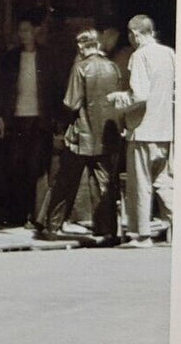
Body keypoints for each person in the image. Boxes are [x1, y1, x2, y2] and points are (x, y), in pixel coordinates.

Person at [35, 30, 124, 238]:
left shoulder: (81, 67)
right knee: (104, 184)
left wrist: (61, 124)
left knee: (65, 182)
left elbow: (71, 103)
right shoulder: (112, 67)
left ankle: (52, 226)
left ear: (82, 47)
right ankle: (108, 229)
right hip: (105, 136)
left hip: (81, 136)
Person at [0, 13, 67, 231]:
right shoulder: (11, 58)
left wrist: (58, 121)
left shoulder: (47, 57)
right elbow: (3, 90)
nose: (24, 35)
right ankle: (18, 214)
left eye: (27, 30)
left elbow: (56, 90)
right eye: (21, 31)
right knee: (16, 166)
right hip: (17, 118)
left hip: (40, 120)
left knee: (36, 167)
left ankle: (36, 216)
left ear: (35, 32)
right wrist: (1, 118)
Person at [110, 14, 176, 247]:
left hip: (143, 130)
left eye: (130, 34)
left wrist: (119, 99)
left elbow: (140, 94)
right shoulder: (169, 53)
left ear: (135, 33)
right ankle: (180, 224)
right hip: (165, 129)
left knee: (141, 184)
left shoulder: (139, 56)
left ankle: (142, 235)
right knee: (163, 181)